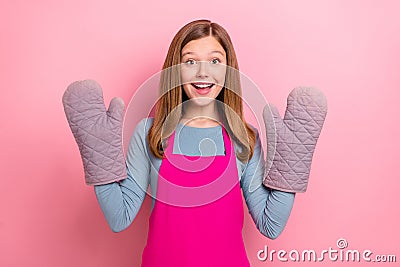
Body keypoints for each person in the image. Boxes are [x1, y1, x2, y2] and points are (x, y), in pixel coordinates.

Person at [93, 19, 295, 266]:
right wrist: (98, 156)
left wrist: (292, 163)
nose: (203, 72)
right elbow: (119, 217)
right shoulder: (150, 134)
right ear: (175, 70)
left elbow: (270, 224)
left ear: (228, 70)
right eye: (190, 61)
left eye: (215, 61)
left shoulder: (244, 138)